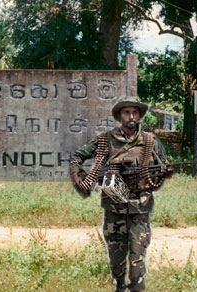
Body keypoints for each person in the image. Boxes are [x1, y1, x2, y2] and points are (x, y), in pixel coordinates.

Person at [69, 96, 172, 292]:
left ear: (139, 115)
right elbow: (78, 156)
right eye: (126, 112)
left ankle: (137, 286)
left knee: (137, 257)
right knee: (116, 257)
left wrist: (164, 174)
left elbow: (158, 176)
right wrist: (76, 174)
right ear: (119, 116)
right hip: (113, 208)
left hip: (139, 208)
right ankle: (119, 284)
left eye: (135, 112)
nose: (131, 116)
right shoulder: (105, 140)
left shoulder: (151, 141)